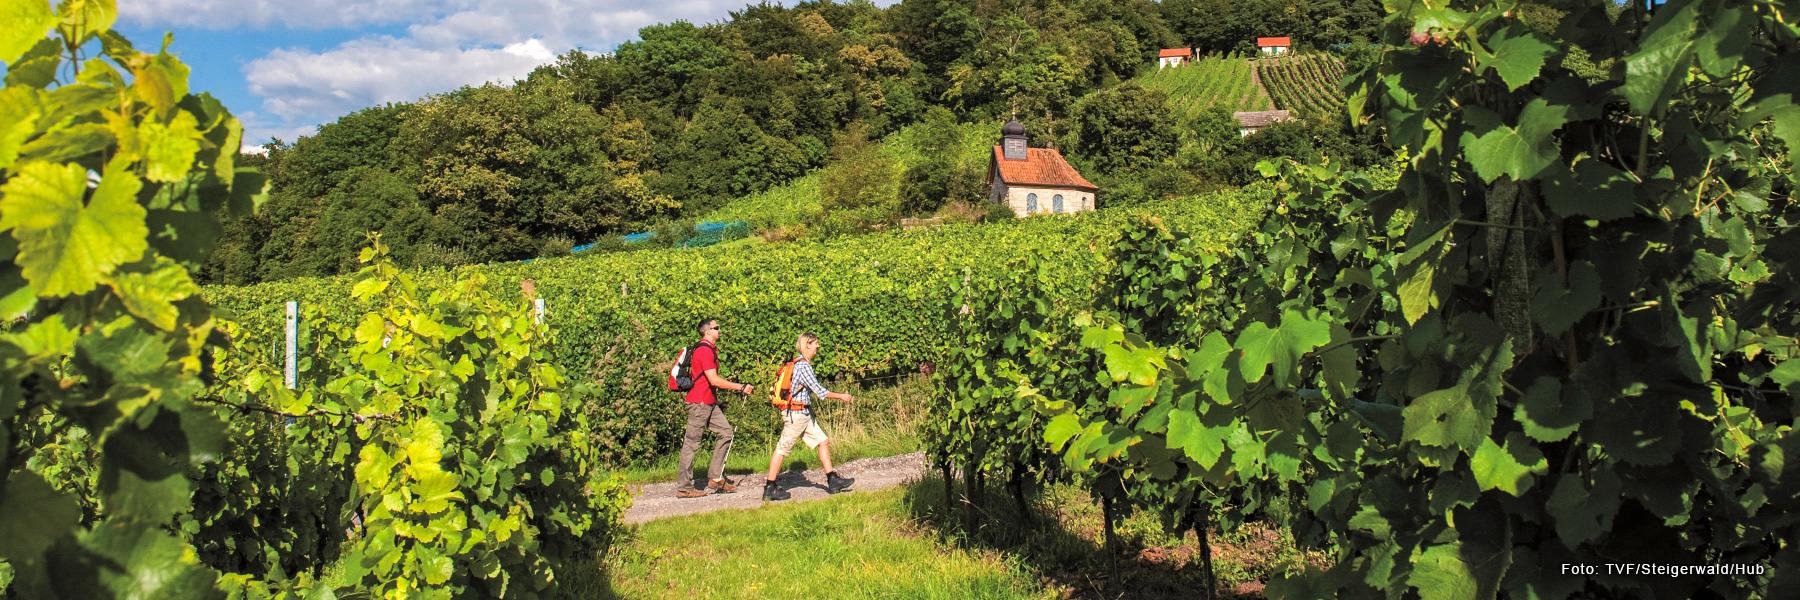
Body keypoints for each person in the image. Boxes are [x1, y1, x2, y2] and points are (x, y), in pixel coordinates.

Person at [763, 332, 855, 501]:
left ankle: (832, 479)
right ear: (807, 345)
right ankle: (770, 486)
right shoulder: (804, 366)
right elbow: (819, 391)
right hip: (796, 415)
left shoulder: (797, 363)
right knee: (782, 448)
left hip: (804, 414)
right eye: (815, 344)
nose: (817, 347)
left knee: (823, 441)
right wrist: (841, 396)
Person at [675, 317, 754, 498]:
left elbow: (705, 382)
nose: (720, 330)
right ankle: (684, 488)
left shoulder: (709, 349)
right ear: (707, 331)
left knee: (726, 433)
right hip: (699, 404)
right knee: (691, 444)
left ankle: (715, 478)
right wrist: (740, 387)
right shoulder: (704, 351)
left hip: (708, 402)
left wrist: (716, 402)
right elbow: (713, 380)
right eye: (716, 327)